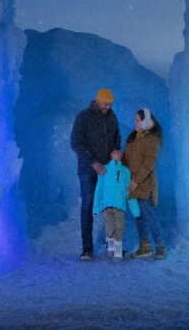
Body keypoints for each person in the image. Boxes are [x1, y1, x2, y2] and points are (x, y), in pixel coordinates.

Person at [69, 88, 121, 260]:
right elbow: (75, 143)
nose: (108, 107)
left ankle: (112, 244)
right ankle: (87, 249)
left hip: (107, 171)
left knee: (110, 206)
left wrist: (115, 152)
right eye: (106, 104)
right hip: (87, 170)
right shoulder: (83, 117)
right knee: (88, 205)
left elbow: (116, 138)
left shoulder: (112, 117)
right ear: (97, 101)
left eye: (110, 104)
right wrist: (93, 162)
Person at [125, 108, 166, 260]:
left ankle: (160, 246)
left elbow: (149, 163)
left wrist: (136, 180)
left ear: (146, 121)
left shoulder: (152, 139)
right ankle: (145, 247)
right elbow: (128, 159)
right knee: (139, 216)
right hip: (132, 183)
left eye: (137, 120)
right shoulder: (133, 138)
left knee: (149, 215)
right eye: (134, 120)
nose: (134, 123)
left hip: (145, 183)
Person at [92, 149, 140, 260]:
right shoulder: (104, 169)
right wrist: (96, 207)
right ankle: (111, 246)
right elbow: (99, 189)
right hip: (107, 205)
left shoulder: (125, 171)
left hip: (120, 205)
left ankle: (118, 251)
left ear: (122, 155)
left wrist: (135, 210)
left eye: (119, 152)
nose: (117, 154)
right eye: (115, 152)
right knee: (109, 227)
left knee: (120, 226)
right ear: (110, 154)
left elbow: (129, 191)